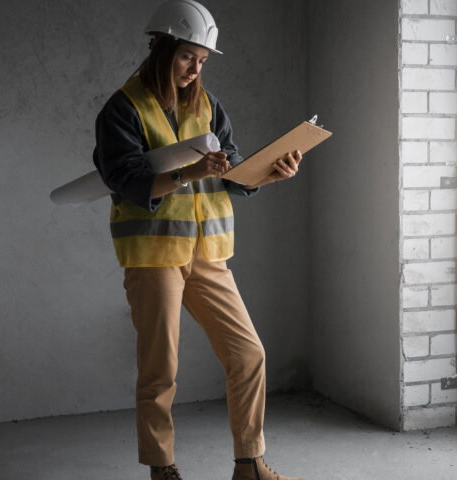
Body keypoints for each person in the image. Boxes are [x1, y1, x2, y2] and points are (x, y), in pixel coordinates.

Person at [92, 1, 305, 479]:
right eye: (188, 56)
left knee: (248, 353)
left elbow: (230, 175)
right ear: (162, 48)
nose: (195, 69)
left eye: (203, 61)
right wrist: (189, 172)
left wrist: (271, 173)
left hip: (207, 256)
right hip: (154, 257)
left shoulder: (209, 107)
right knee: (159, 370)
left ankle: (249, 466)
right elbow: (125, 179)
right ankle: (162, 469)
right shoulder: (122, 110)